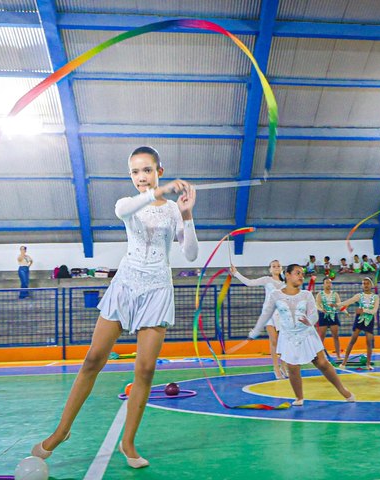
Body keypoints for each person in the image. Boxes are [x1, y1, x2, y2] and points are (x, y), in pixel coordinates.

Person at [31, 146, 198, 469]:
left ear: (159, 171)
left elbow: (190, 254)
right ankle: (61, 432)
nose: (141, 177)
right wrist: (158, 191)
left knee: (145, 370)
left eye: (147, 170)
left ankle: (128, 442)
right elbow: (126, 209)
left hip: (158, 290)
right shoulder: (128, 203)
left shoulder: (173, 210)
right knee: (93, 359)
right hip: (125, 286)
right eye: (135, 171)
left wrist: (187, 214)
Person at [249, 265, 355, 406]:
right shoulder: (275, 295)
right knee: (292, 367)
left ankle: (343, 391)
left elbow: (314, 315)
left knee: (322, 363)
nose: (301, 276)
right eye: (297, 273)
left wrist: (309, 321)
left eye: (302, 274)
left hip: (306, 333)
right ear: (287, 275)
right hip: (288, 335)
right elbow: (265, 314)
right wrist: (255, 331)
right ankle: (299, 397)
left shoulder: (306, 294)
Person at [232, 260, 287, 379]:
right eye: (273, 266)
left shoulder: (285, 282)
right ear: (270, 269)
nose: (276, 268)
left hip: (281, 315)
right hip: (269, 314)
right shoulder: (267, 280)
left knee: (283, 342)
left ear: (281, 268)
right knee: (274, 341)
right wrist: (236, 273)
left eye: (278, 266)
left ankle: (284, 366)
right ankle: (276, 368)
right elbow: (249, 282)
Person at [338, 277, 380, 370]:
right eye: (364, 283)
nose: (366, 285)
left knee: (369, 342)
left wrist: (363, 310)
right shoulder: (359, 296)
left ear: (371, 285)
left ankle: (368, 364)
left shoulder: (376, 297)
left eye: (367, 283)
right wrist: (337, 305)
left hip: (369, 320)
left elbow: (374, 311)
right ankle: (344, 362)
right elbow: (348, 301)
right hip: (359, 319)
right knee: (353, 340)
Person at [316, 277, 343, 361]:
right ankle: (319, 356)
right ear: (323, 284)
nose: (328, 284)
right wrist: (321, 310)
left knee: (336, 336)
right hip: (323, 315)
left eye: (330, 283)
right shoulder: (320, 294)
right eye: (327, 282)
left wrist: (340, 307)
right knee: (321, 337)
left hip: (333, 315)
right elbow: (317, 305)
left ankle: (338, 355)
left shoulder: (335, 294)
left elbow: (339, 304)